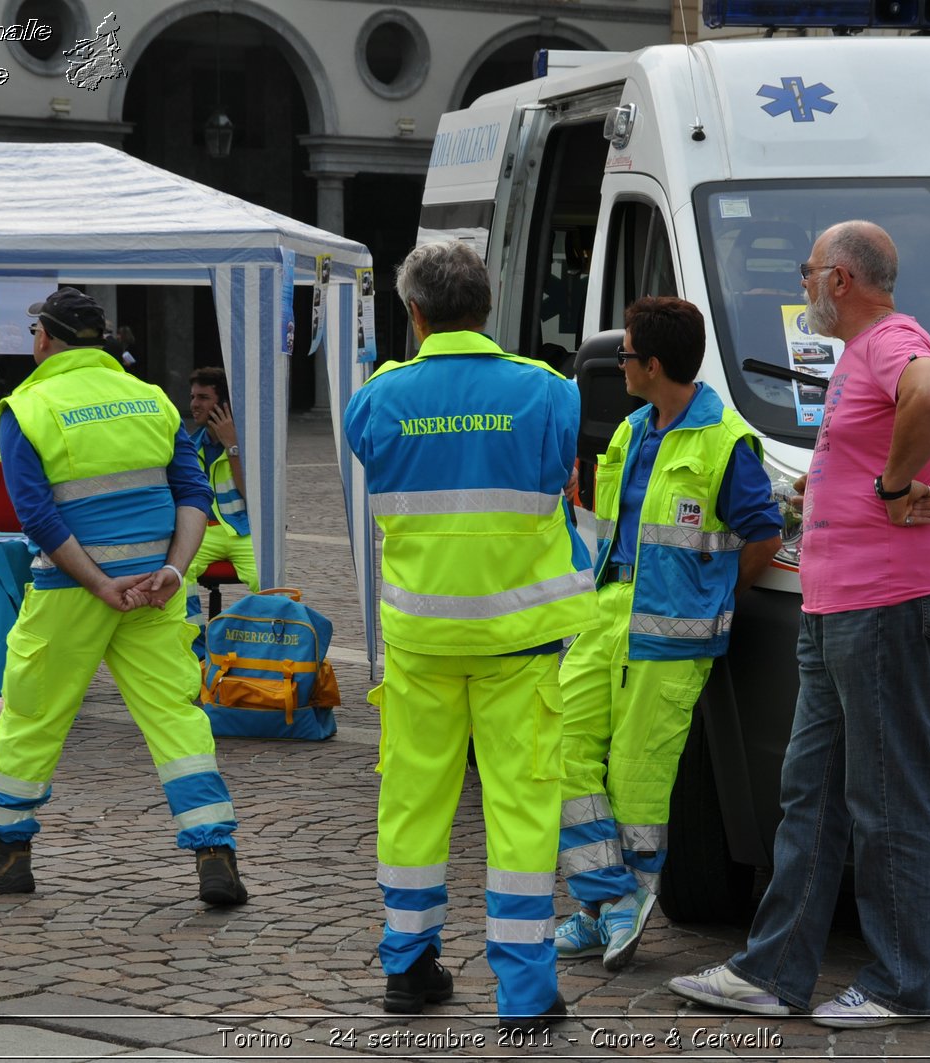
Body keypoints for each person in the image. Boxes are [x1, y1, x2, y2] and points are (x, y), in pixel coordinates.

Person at [667, 220, 930, 1028]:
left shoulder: (892, 339)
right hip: (843, 606)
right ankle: (774, 971)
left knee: (886, 800)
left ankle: (901, 983)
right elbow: (878, 450)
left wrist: (894, 484)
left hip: (880, 606)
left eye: (806, 274)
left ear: (840, 279)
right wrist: (825, 496)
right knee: (814, 796)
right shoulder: (867, 352)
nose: (801, 288)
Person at [343, 241, 598, 1031]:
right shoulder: (548, 392)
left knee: (413, 801)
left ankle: (408, 967)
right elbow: (561, 475)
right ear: (487, 309)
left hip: (421, 638)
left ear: (413, 315)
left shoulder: (379, 396)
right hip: (519, 640)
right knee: (522, 808)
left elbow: (370, 453)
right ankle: (526, 994)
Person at [0, 286, 248, 907]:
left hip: (72, 592)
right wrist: (171, 569)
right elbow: (194, 495)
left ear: (46, 339)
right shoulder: (151, 399)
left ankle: (6, 853)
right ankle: (215, 855)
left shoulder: (27, 407)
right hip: (157, 590)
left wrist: (98, 584)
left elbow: (38, 517)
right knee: (176, 716)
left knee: (32, 715)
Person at [552, 297, 782, 971]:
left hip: (673, 635)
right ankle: (608, 896)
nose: (619, 363)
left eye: (625, 354)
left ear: (652, 364)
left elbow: (764, 534)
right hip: (608, 615)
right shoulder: (630, 430)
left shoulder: (725, 441)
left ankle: (613, 908)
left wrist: (714, 595)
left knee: (636, 777)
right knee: (558, 744)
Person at [183, 366, 259, 645]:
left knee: (271, 582)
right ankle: (197, 650)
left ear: (223, 405)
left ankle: (264, 650)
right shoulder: (190, 447)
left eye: (203, 397)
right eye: (193, 397)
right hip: (203, 533)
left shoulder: (250, 443)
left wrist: (233, 446)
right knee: (176, 573)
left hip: (244, 531)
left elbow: (253, 495)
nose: (194, 404)